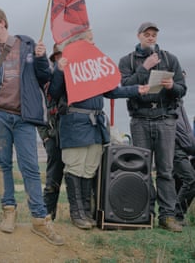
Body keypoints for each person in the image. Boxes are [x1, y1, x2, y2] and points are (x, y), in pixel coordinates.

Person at [0, 6, 64, 246]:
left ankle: (40, 219)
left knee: (30, 166)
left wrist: (41, 57)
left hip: (24, 117)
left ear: (2, 22)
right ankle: (8, 211)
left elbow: (44, 77)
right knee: (2, 165)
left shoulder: (27, 44)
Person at [49, 29, 149, 230]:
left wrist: (137, 89)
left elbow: (112, 91)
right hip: (75, 122)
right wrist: (59, 71)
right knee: (75, 168)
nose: (93, 44)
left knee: (89, 170)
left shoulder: (93, 67)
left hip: (95, 126)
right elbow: (54, 92)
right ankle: (76, 213)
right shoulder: (67, 64)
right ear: (79, 43)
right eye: (90, 40)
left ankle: (86, 211)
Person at [118, 21, 186, 232]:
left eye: (153, 35)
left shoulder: (170, 59)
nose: (150, 37)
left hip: (165, 119)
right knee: (142, 169)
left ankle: (167, 216)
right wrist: (144, 68)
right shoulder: (127, 60)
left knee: (165, 170)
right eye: (146, 34)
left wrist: (172, 86)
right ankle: (144, 214)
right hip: (140, 119)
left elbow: (182, 89)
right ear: (139, 36)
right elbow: (125, 85)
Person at [36, 44, 63, 221]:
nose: (61, 59)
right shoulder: (46, 81)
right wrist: (45, 137)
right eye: (58, 56)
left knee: (80, 176)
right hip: (53, 134)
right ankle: (47, 215)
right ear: (53, 59)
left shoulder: (77, 78)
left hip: (74, 132)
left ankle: (85, 213)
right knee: (53, 177)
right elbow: (39, 111)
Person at [172, 99, 195, 225]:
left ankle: (173, 213)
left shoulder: (179, 104)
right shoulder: (173, 104)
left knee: (178, 180)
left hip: (181, 148)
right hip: (176, 148)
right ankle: (177, 215)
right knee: (190, 180)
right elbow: (183, 134)